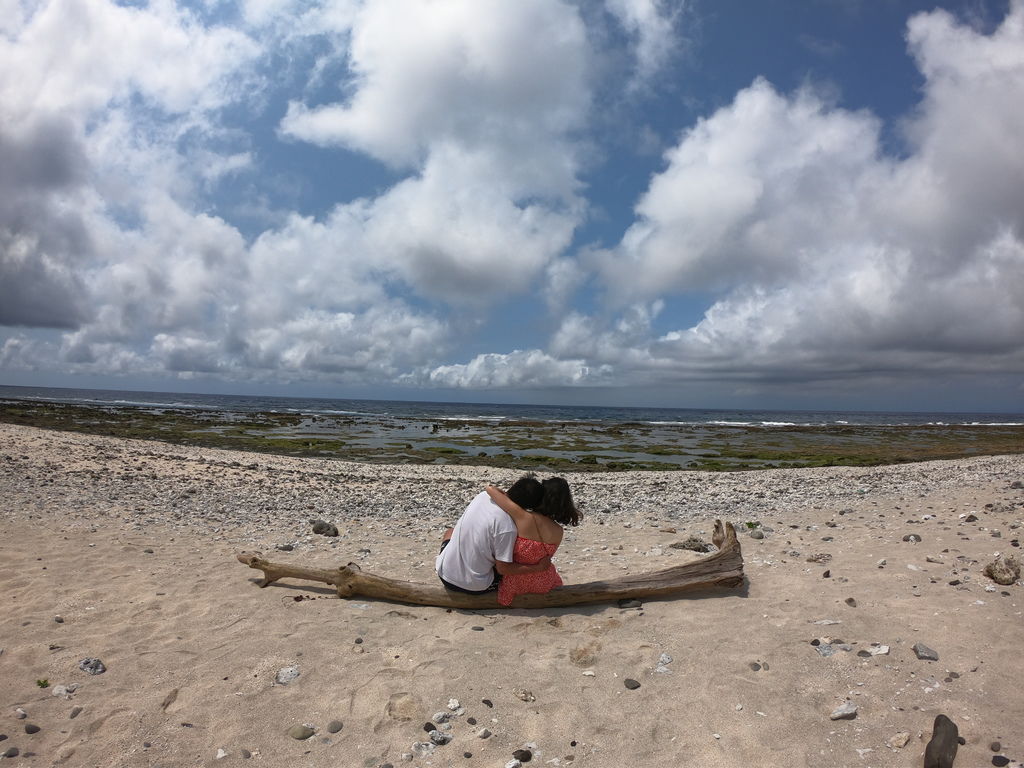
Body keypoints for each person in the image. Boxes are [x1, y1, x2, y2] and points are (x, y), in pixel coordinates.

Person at [435, 476, 553, 594]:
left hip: (443, 572)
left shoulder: (483, 496)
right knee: (506, 566)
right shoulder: (508, 528)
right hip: (472, 586)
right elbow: (503, 569)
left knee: (450, 532)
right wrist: (538, 567)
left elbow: (493, 489)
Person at [485, 477, 581, 606]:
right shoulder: (559, 531)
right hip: (543, 583)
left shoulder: (523, 517)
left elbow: (490, 489)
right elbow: (545, 559)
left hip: (515, 583)